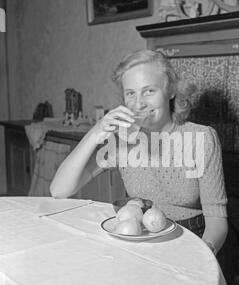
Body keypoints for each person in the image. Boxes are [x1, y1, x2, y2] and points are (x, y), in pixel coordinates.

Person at [50, 49, 228, 257]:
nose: (139, 103)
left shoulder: (202, 137)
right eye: (131, 93)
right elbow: (59, 190)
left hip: (192, 241)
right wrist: (95, 132)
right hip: (137, 239)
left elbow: (217, 220)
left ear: (170, 91)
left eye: (149, 91)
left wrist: (204, 252)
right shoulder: (121, 140)